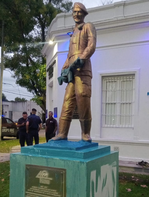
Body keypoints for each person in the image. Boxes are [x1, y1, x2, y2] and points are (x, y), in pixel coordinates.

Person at [51, 2, 96, 142]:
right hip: (71, 73)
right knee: (67, 102)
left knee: (83, 99)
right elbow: (70, 54)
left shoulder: (88, 26)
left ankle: (85, 134)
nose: (76, 14)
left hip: (83, 70)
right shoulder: (73, 32)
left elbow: (91, 45)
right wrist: (64, 68)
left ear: (84, 14)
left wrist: (81, 59)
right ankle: (62, 133)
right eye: (74, 12)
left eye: (79, 12)